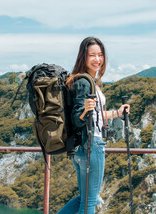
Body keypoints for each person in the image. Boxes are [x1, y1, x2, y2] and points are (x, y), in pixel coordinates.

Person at [57, 37, 130, 214]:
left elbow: (94, 115)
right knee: (90, 201)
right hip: (92, 145)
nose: (97, 59)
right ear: (83, 57)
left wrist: (117, 113)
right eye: (92, 55)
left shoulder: (83, 80)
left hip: (79, 148)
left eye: (100, 55)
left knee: (84, 197)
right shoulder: (84, 82)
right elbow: (78, 118)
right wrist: (84, 111)